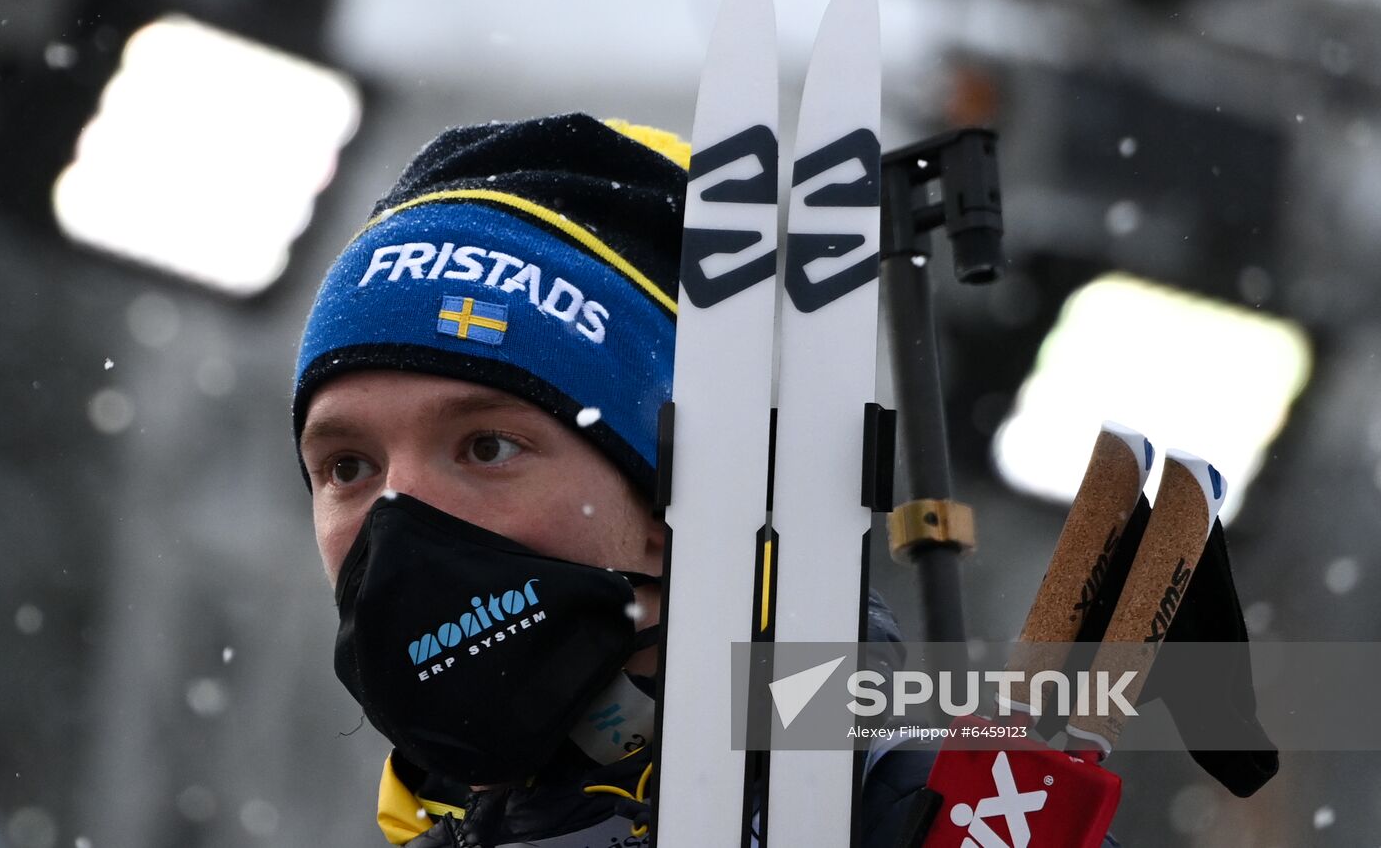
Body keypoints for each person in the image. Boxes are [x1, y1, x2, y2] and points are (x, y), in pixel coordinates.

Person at [291, 112, 1118, 847]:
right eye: (348, 467)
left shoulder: (955, 823)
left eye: (486, 447)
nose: (400, 513)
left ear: (678, 503)